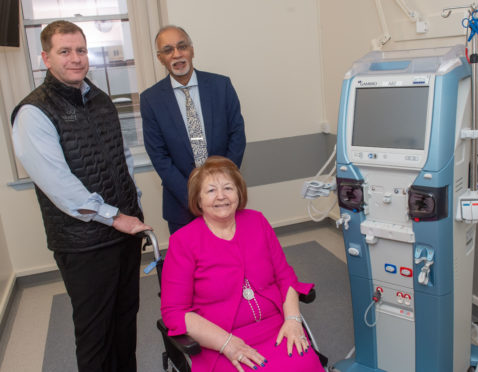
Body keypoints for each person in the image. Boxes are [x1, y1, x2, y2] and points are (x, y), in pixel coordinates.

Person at [11, 20, 152, 372]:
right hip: (84, 244)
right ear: (45, 57)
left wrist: (133, 207)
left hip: (124, 234)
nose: (76, 58)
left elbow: (122, 158)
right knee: (95, 334)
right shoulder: (33, 112)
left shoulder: (101, 100)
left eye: (81, 50)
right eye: (65, 51)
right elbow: (60, 185)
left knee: (125, 320)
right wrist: (116, 216)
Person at [160, 156, 325, 372]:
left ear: (239, 192)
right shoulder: (183, 241)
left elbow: (285, 276)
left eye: (228, 188)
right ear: (198, 200)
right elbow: (174, 312)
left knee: (303, 363)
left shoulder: (257, 222)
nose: (221, 196)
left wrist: (293, 320)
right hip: (220, 340)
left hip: (277, 328)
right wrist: (227, 344)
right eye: (210, 191)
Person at [140, 25, 246, 234]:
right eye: (168, 50)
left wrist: (220, 186)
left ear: (192, 50)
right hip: (181, 205)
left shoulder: (221, 86)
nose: (177, 54)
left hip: (224, 199)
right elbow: (158, 155)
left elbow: (237, 137)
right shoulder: (151, 99)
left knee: (229, 259)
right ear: (160, 58)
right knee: (190, 264)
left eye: (182, 46)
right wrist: (193, 195)